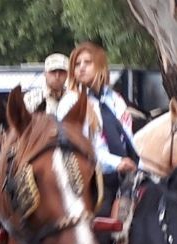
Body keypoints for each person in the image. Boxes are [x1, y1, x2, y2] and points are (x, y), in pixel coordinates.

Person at [57, 42, 138, 219]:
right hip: (91, 182)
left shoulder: (115, 100)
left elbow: (128, 138)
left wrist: (139, 162)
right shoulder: (71, 102)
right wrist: (116, 162)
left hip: (126, 176)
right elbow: (78, 147)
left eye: (87, 62)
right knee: (102, 231)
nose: (82, 68)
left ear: (100, 65)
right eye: (77, 64)